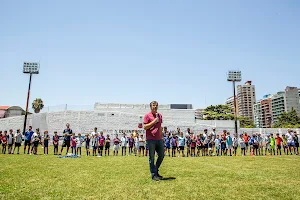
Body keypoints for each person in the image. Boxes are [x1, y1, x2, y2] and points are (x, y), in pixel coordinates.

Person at [143, 101, 164, 181]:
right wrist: (153, 122)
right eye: (153, 105)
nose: (155, 107)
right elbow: (145, 127)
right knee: (151, 158)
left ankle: (155, 170)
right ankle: (153, 174)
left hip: (159, 139)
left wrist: (162, 137)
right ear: (150, 107)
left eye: (156, 105)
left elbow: (160, 127)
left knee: (161, 155)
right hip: (150, 139)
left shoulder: (160, 115)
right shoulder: (147, 116)